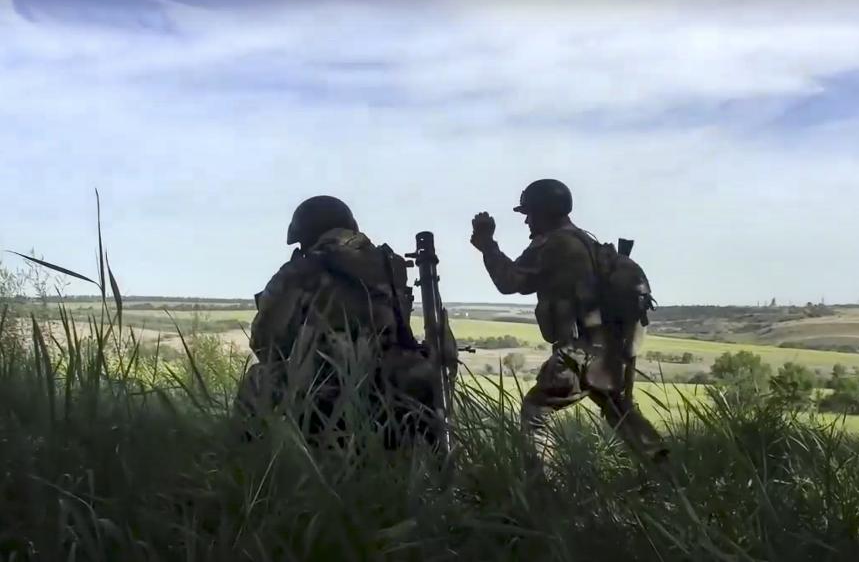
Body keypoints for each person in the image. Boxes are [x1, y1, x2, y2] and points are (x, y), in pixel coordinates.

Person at [470, 179, 668, 470]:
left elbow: (509, 281)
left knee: (535, 411)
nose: (526, 220)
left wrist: (487, 245)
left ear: (544, 212)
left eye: (530, 213)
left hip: (579, 352)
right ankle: (668, 474)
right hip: (608, 352)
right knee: (620, 411)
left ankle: (544, 491)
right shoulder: (586, 242)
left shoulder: (554, 244)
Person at [233, 195, 440, 449]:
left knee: (258, 379)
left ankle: (250, 467)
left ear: (306, 236)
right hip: (397, 389)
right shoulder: (392, 266)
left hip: (326, 396)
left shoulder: (301, 270)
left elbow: (267, 347)